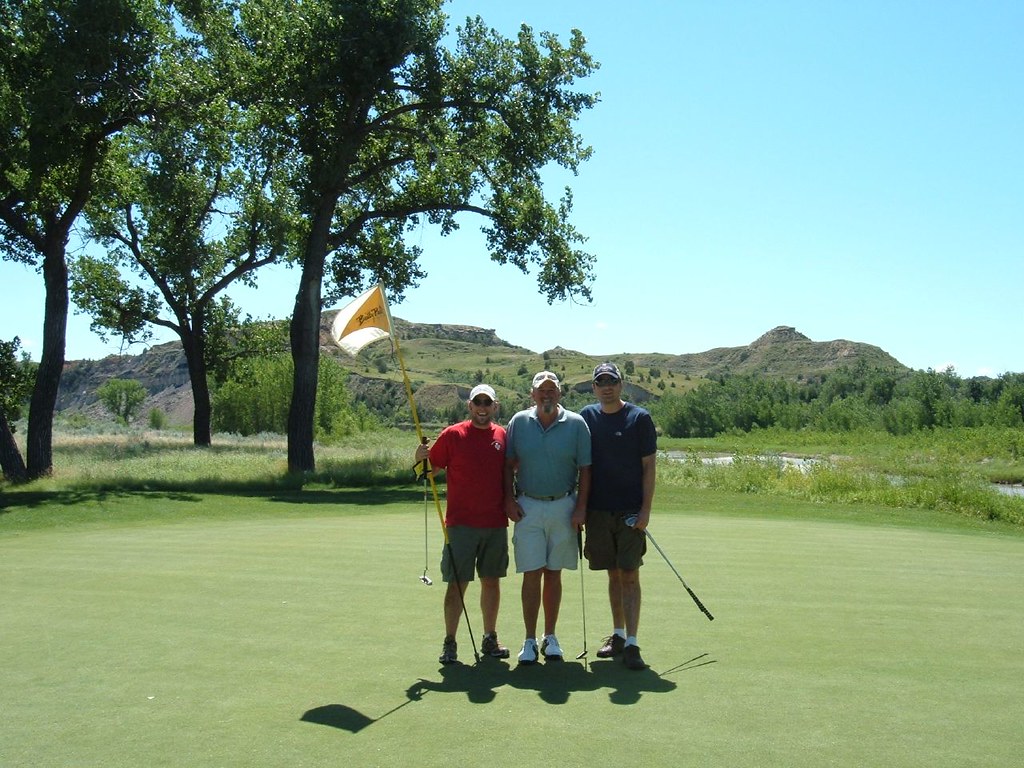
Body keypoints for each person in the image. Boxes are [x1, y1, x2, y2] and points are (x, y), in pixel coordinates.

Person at [415, 383, 510, 664]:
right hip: (460, 525)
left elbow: (512, 471)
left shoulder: (503, 435)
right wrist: (419, 459)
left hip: (494, 523)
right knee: (457, 584)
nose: (482, 408)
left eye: (487, 403)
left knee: (491, 582)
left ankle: (490, 638)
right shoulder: (453, 434)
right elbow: (429, 471)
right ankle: (450, 642)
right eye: (477, 402)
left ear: (495, 406)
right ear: (469, 406)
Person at [503, 370, 591, 664]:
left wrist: (581, 507)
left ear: (560, 393)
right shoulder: (519, 422)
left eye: (552, 389)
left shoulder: (576, 424)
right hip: (528, 505)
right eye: (542, 390)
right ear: (533, 394)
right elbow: (508, 465)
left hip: (564, 505)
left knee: (554, 573)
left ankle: (549, 637)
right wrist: (508, 499)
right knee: (532, 572)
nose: (547, 394)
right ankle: (529, 640)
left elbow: (586, 469)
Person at [580, 362, 658, 670]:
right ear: (594, 387)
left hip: (630, 512)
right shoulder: (587, 417)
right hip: (598, 511)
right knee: (612, 573)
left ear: (620, 385)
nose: (607, 387)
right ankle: (618, 635)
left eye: (611, 381)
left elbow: (649, 467)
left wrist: (646, 510)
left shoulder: (639, 418)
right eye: (601, 382)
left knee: (630, 574)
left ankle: (633, 643)